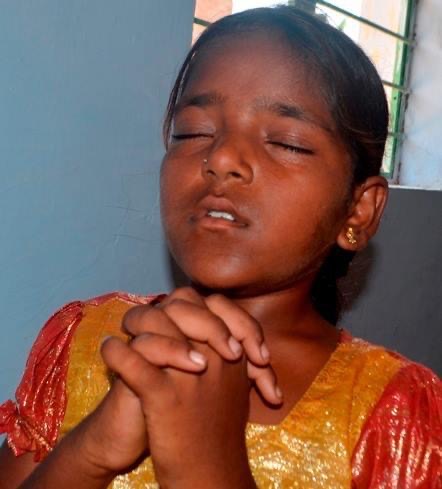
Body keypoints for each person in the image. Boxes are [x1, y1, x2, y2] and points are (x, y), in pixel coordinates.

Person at [0, 5, 440, 488]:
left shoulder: (399, 417)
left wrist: (206, 466)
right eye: (195, 132)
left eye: (287, 142)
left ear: (359, 209)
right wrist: (91, 452)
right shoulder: (85, 341)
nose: (222, 157)